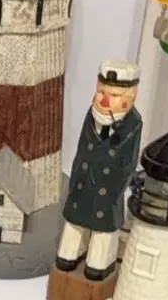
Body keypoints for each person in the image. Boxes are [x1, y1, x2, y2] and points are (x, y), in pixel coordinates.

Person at [55, 60, 143, 281]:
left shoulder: (132, 124)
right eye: (101, 92)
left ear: (130, 97)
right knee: (74, 223)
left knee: (103, 232)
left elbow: (128, 163)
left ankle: (100, 262)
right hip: (83, 183)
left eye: (113, 95)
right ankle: (70, 253)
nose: (104, 100)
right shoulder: (93, 114)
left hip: (108, 190)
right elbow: (81, 149)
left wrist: (115, 191)